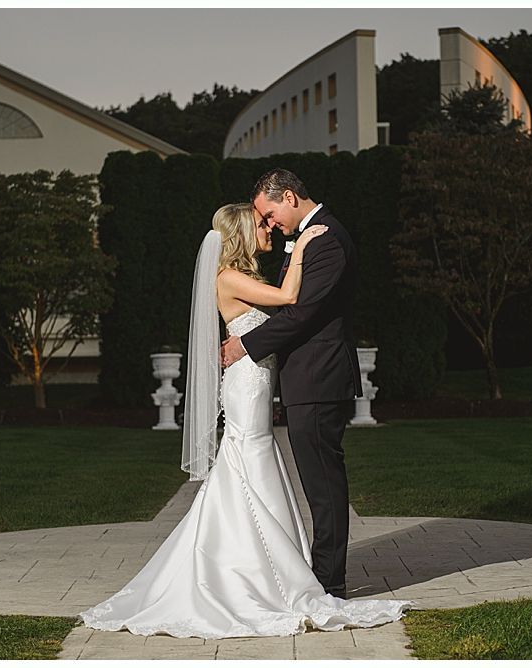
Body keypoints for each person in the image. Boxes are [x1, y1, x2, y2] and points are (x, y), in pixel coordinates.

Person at [76, 202, 410, 638]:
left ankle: (263, 570)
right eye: (260, 224)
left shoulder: (243, 277)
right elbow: (291, 300)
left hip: (253, 380)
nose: (268, 227)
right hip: (248, 382)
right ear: (240, 234)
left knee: (252, 461)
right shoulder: (230, 278)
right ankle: (257, 575)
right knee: (248, 458)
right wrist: (304, 246)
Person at [221, 168, 359, 600]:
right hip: (305, 380)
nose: (269, 223)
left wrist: (247, 345)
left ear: (288, 196)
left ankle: (329, 581)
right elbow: (290, 306)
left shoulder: (326, 240)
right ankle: (315, 573)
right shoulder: (309, 239)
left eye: (269, 213)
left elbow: (302, 313)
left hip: (319, 378)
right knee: (317, 482)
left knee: (323, 484)